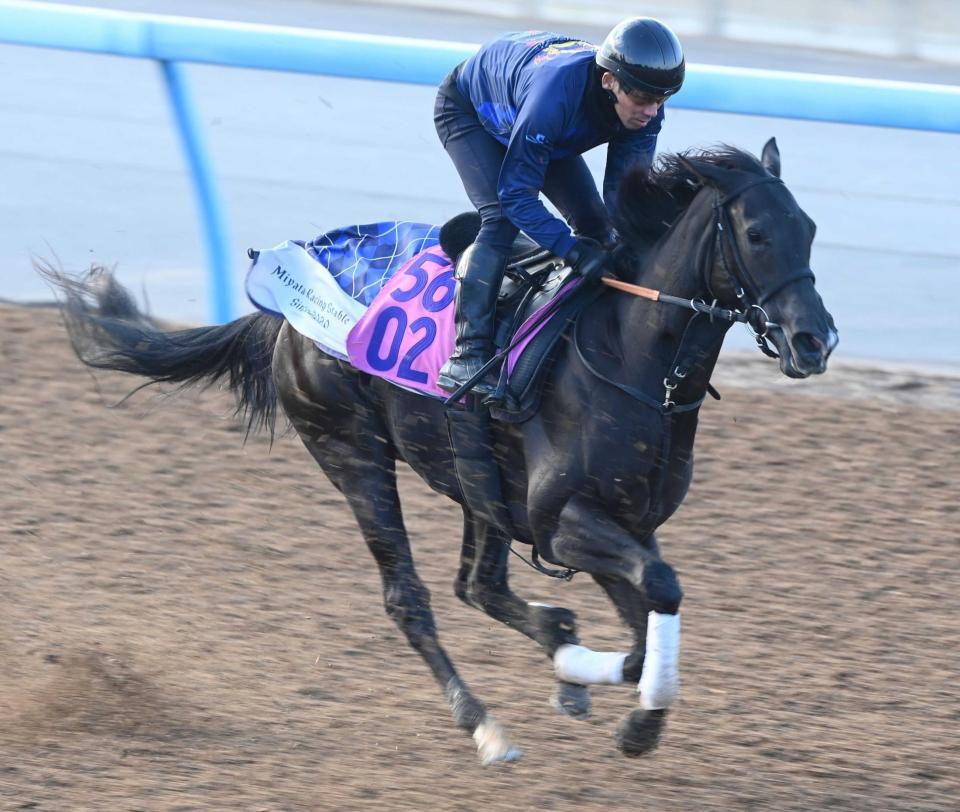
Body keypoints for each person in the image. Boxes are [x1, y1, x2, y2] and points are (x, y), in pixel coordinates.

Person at [434, 17, 685, 395]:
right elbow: (517, 197)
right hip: (472, 111)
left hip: (541, 123)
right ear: (609, 82)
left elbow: (624, 197)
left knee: (599, 228)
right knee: (501, 219)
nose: (651, 111)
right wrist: (570, 248)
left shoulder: (646, 101)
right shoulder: (555, 97)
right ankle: (467, 353)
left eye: (662, 100)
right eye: (643, 100)